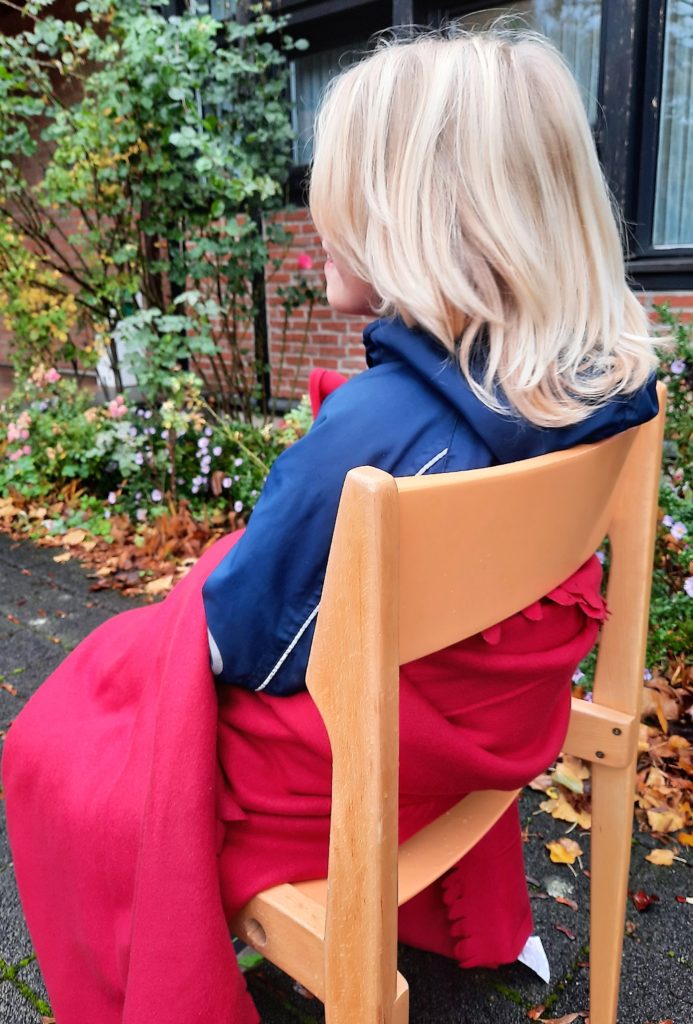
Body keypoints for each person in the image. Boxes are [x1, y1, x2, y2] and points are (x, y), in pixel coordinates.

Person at [3, 26, 658, 1024]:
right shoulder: (595, 389)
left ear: (410, 223)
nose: (316, 215)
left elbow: (245, 647)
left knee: (60, 739)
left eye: (339, 188)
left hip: (356, 772)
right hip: (490, 724)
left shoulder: (376, 439)